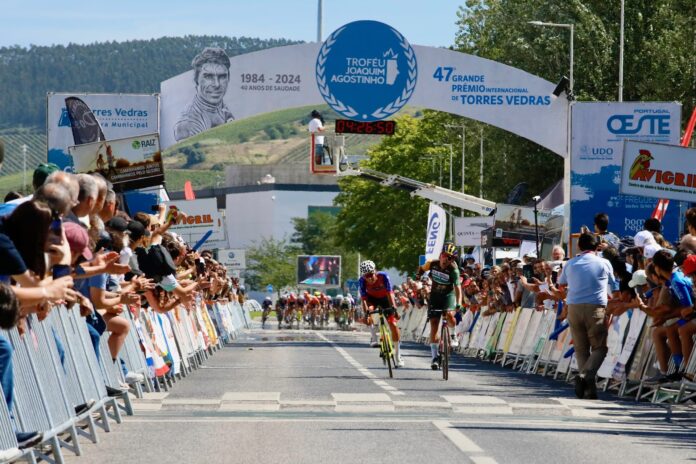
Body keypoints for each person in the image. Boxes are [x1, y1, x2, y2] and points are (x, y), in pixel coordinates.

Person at [557, 233, 615, 399]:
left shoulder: (570, 263)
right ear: (597, 247)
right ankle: (585, 376)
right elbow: (614, 284)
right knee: (600, 348)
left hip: (574, 307)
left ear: (579, 247)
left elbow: (561, 284)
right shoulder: (604, 262)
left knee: (581, 348)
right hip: (596, 307)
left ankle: (589, 389)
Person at [416, 243, 462, 370]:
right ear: (440, 255)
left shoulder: (454, 269)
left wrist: (459, 303)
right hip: (435, 295)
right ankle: (434, 357)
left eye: (450, 258)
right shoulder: (432, 263)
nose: (446, 259)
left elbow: (458, 288)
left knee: (449, 315)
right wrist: (418, 275)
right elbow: (421, 268)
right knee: (434, 324)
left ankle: (453, 334)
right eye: (444, 255)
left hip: (448, 295)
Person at [174, 47, 234, 141]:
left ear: (228, 78)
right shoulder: (188, 125)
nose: (217, 84)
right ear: (196, 80)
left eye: (222, 77)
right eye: (208, 77)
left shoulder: (222, 108)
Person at [359, 260, 403, 367]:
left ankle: (398, 356)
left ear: (375, 271)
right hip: (372, 299)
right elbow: (364, 299)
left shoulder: (383, 276)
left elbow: (390, 293)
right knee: (370, 311)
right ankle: (373, 337)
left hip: (385, 298)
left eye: (370, 274)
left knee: (393, 324)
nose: (369, 278)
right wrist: (367, 314)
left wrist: (394, 308)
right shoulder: (362, 281)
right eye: (366, 276)